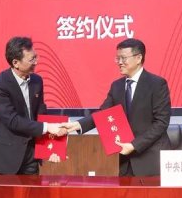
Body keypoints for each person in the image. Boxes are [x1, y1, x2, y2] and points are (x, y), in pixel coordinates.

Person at [64, 39, 171, 176]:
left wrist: (134, 145)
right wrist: (77, 125)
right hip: (126, 160)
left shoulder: (157, 84)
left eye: (123, 58)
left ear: (138, 58)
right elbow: (103, 114)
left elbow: (161, 123)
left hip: (151, 159)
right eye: (118, 58)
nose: (119, 62)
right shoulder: (117, 86)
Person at [0, 37, 66, 174]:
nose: (36, 62)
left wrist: (51, 149)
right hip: (4, 159)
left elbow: (41, 114)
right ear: (15, 63)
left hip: (30, 157)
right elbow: (12, 120)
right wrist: (47, 127)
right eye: (31, 59)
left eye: (36, 57)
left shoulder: (37, 81)